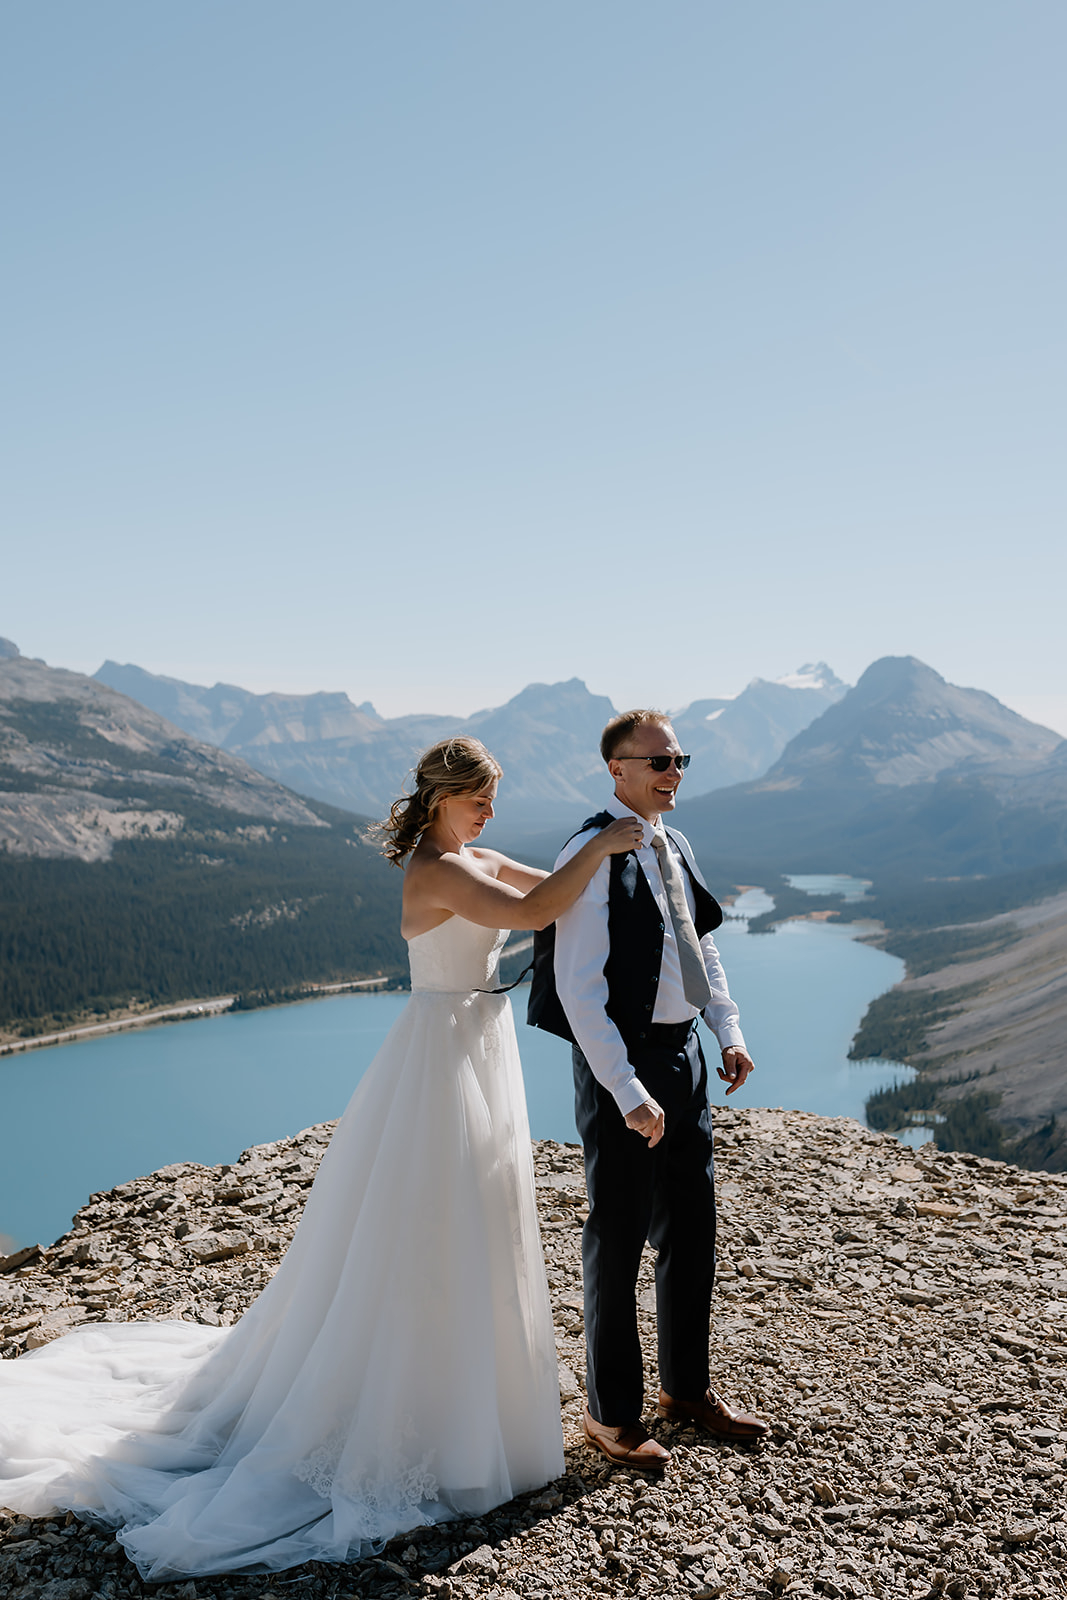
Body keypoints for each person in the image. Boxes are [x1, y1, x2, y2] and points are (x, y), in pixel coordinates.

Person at [0, 736, 642, 1578]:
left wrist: (618, 860)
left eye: (492, 798)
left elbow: (555, 896)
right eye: (479, 797)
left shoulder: (473, 855)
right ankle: (413, 1408)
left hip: (478, 1049)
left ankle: (460, 1400)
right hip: (443, 1055)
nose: (490, 811)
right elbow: (529, 914)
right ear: (441, 797)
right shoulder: (436, 872)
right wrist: (599, 842)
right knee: (431, 1219)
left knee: (472, 1219)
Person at [529, 709, 771, 1470]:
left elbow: (700, 946)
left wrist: (726, 1032)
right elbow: (576, 986)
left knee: (691, 1230)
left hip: (685, 1059)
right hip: (623, 1069)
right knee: (619, 1235)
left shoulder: (675, 841)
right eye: (659, 762)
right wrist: (627, 1088)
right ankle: (610, 1415)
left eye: (679, 761)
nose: (673, 774)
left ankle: (686, 1391)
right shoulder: (590, 853)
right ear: (617, 769)